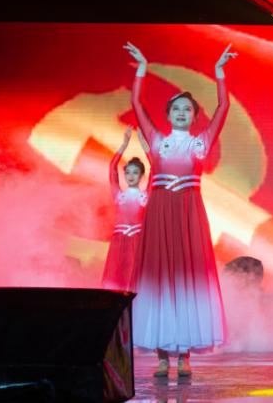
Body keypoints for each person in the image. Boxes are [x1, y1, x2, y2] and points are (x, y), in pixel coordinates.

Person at [124, 41, 235, 379]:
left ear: (195, 117)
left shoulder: (200, 143)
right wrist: (142, 70)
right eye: (177, 109)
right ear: (168, 114)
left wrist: (219, 74)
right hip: (160, 214)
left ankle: (184, 355)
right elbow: (136, 104)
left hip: (188, 215)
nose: (182, 113)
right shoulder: (157, 142)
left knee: (185, 278)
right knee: (161, 278)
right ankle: (162, 357)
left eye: (188, 109)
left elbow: (224, 106)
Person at [100, 126, 148, 291]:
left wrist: (143, 142)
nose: (130, 176)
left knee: (134, 282)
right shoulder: (119, 195)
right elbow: (112, 167)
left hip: (137, 241)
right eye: (127, 172)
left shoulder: (144, 196)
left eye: (135, 173)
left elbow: (156, 168)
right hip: (119, 242)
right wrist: (124, 144)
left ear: (141, 175)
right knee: (115, 283)